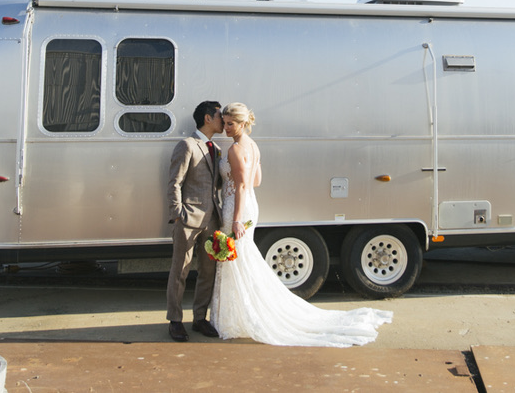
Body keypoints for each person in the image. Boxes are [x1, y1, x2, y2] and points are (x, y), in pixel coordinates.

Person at [210, 102, 393, 346]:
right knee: (241, 259)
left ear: (243, 124)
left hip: (238, 208)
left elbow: (243, 185)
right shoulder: (253, 146)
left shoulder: (235, 150)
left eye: (230, 124)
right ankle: (242, 313)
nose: (226, 128)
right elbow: (257, 180)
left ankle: (237, 317)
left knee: (236, 260)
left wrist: (235, 219)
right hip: (250, 205)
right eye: (224, 123)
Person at [166, 100, 225, 342]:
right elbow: (174, 182)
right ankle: (175, 321)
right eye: (220, 115)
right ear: (208, 118)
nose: (224, 120)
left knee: (208, 271)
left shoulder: (217, 149)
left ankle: (200, 318)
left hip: (212, 219)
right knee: (180, 271)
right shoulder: (187, 145)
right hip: (188, 219)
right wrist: (177, 213)